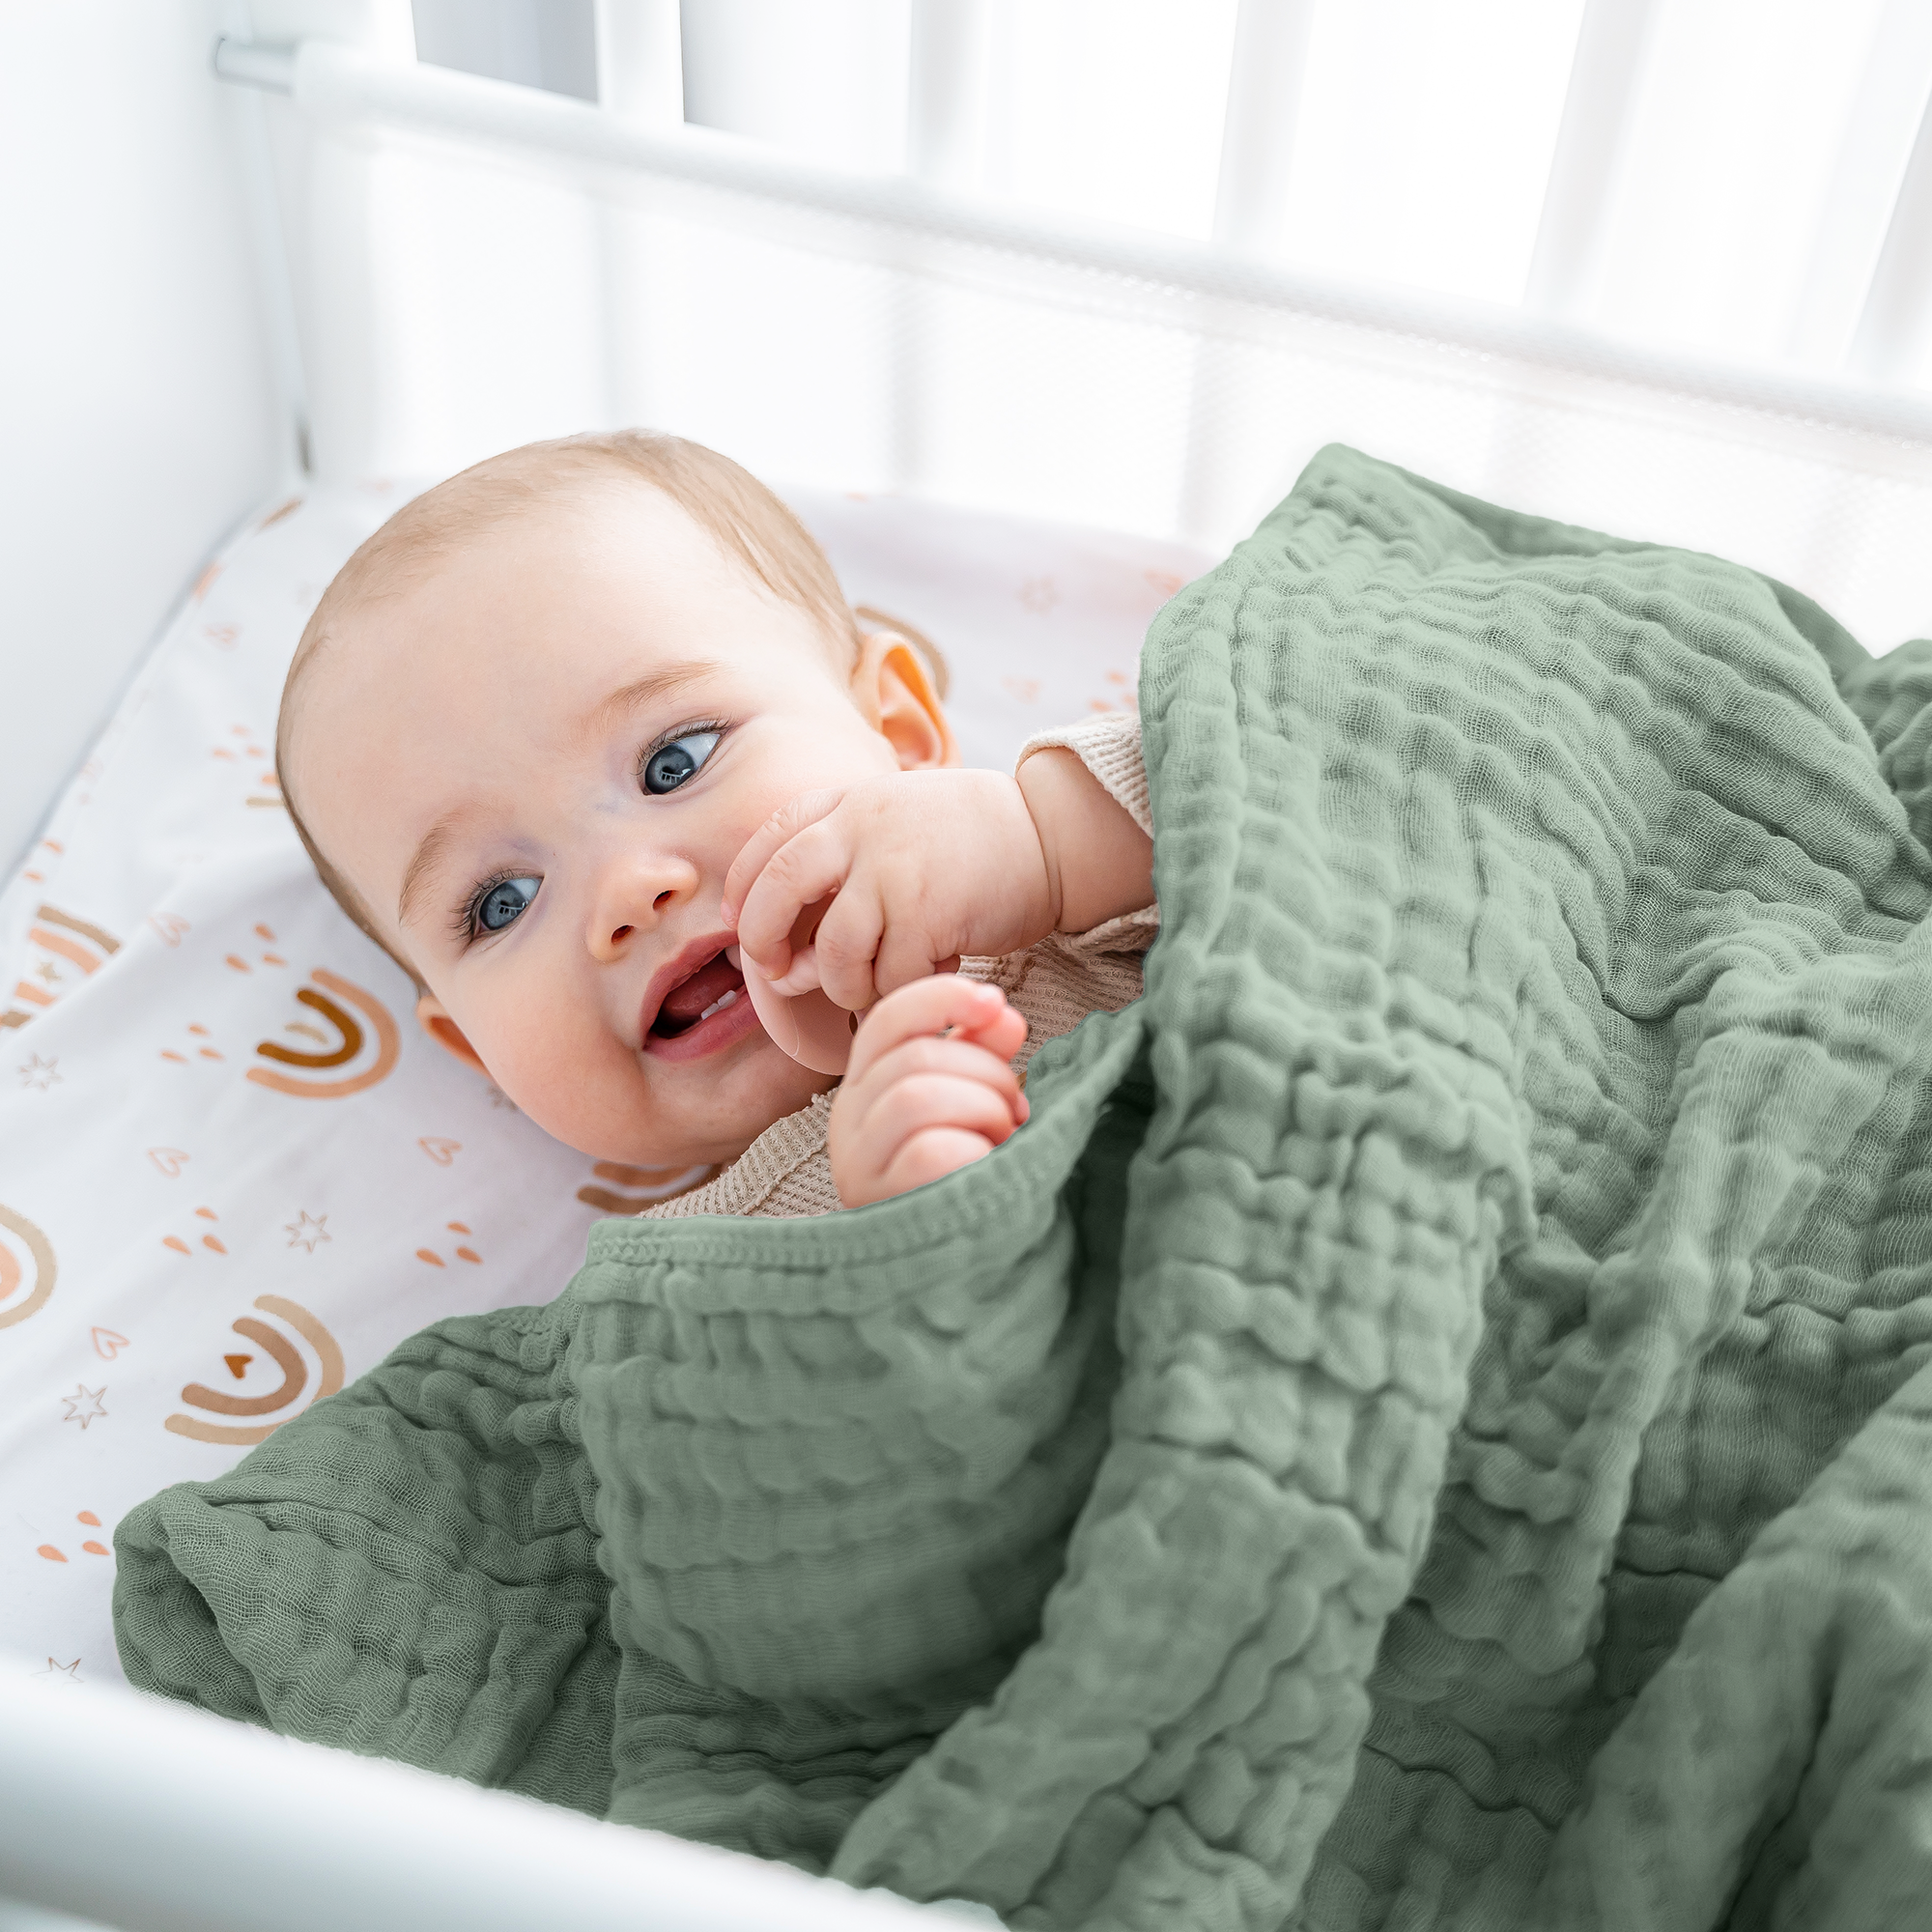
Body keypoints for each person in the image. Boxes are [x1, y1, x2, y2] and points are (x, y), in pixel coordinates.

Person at [275, 430, 1157, 1214]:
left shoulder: (1059, 883)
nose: (629, 887)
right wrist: (894, 1267)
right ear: (475, 1048)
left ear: (899, 734)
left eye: (676, 761)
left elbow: (1275, 779)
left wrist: (1050, 841)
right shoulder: (672, 1296)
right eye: (501, 901)